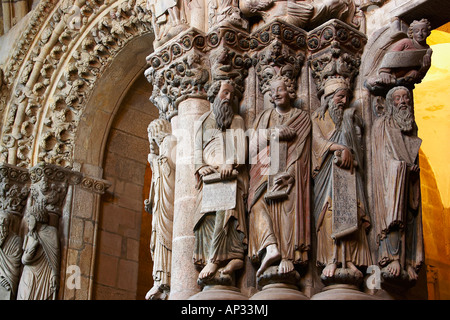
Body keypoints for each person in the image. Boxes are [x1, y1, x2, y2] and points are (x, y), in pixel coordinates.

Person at [248, 75, 311, 278]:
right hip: (263, 174)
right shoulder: (263, 118)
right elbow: (249, 149)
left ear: (290, 92)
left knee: (287, 209)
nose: (276, 94)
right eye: (273, 91)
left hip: (290, 176)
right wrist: (271, 134)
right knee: (256, 206)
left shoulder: (302, 117)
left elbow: (304, 152)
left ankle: (286, 256)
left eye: (280, 89)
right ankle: (270, 247)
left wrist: (290, 175)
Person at [311, 77, 371, 279]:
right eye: (339, 96)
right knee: (329, 212)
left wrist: (351, 152)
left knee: (349, 209)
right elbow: (318, 143)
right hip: (326, 172)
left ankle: (350, 259)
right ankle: (331, 258)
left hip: (348, 172)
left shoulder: (350, 118)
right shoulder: (317, 118)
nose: (343, 101)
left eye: (346, 97)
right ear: (328, 98)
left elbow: (360, 149)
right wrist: (340, 148)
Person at [193, 79, 248, 283]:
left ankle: (221, 259)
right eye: (225, 93)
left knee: (225, 215)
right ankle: (223, 257)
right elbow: (197, 150)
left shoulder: (236, 121)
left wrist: (230, 163)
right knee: (205, 218)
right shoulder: (202, 121)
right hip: (209, 178)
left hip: (229, 177)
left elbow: (241, 150)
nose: (228, 98)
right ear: (215, 94)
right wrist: (200, 167)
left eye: (232, 96)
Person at [371, 86, 423, 280]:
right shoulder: (382, 124)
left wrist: (412, 171)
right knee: (394, 214)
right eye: (398, 98)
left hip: (408, 180)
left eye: (406, 98)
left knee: (410, 217)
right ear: (390, 103)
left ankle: (407, 260)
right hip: (390, 179)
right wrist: (400, 167)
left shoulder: (411, 127)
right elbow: (381, 157)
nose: (403, 102)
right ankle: (392, 257)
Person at [145, 119, 176, 300]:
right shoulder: (163, 146)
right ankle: (160, 279)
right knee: (157, 239)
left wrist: (157, 161)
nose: (152, 139)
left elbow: (176, 166)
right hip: (159, 200)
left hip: (170, 197)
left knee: (166, 236)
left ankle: (169, 278)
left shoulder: (171, 141)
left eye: (152, 134)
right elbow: (156, 179)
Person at [17, 203, 60, 300]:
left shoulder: (51, 232)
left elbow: (55, 255)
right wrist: (34, 244)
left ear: (36, 217)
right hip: (29, 273)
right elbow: (24, 260)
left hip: (45, 272)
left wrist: (55, 273)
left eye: (30, 217)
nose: (27, 220)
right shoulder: (30, 235)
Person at [0, 211, 22, 300]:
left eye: (5, 223)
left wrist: (5, 277)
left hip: (7, 280)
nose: (2, 226)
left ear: (9, 225)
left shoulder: (16, 240)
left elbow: (14, 265)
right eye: (0, 223)